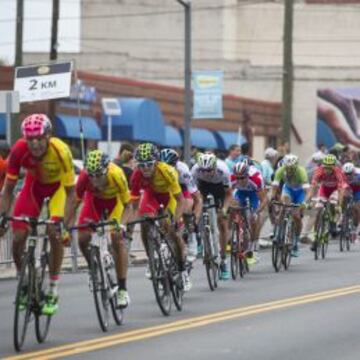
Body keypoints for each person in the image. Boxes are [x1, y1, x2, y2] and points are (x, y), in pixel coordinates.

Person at [0, 114, 76, 315]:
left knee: (54, 231)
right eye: (30, 139)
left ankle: (53, 288)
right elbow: (8, 190)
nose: (34, 144)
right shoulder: (18, 150)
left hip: (59, 189)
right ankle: (24, 281)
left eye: (39, 138)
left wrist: (65, 224)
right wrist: (2, 215)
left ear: (48, 136)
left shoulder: (61, 151)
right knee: (17, 237)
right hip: (33, 188)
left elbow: (71, 194)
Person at [69, 150, 132, 307]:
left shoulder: (116, 174)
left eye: (99, 175)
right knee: (82, 238)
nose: (95, 179)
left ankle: (122, 289)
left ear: (106, 169)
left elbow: (128, 206)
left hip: (115, 204)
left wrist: (122, 225)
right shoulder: (84, 177)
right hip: (94, 202)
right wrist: (67, 225)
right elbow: (74, 204)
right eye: (92, 175)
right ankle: (93, 269)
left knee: (117, 239)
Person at [130, 143, 191, 291]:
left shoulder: (167, 171)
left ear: (156, 162)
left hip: (168, 197)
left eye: (149, 164)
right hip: (151, 197)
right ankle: (151, 260)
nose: (145, 168)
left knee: (170, 229)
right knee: (144, 222)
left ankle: (183, 271)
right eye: (141, 165)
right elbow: (134, 204)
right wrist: (130, 226)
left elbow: (181, 200)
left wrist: (177, 220)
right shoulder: (136, 175)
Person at [191, 153, 233, 280]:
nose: (206, 173)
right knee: (197, 210)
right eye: (203, 170)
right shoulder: (195, 170)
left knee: (222, 223)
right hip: (202, 187)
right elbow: (192, 193)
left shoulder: (223, 170)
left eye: (209, 170)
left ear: (214, 167)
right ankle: (199, 238)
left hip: (220, 189)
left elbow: (229, 194)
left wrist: (224, 209)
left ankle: (224, 260)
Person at [159, 148, 203, 261]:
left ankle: (192, 237)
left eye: (170, 166)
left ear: (176, 165)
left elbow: (197, 197)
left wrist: (195, 218)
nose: (167, 169)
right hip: (168, 188)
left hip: (182, 188)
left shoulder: (183, 170)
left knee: (187, 206)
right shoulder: (158, 170)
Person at [271, 154, 310, 257]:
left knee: (296, 216)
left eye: (291, 168)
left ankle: (296, 241)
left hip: (300, 193)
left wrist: (305, 202)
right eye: (287, 168)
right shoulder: (280, 170)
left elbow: (308, 191)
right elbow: (274, 187)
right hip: (288, 190)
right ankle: (278, 233)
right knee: (283, 206)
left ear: (295, 166)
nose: (288, 170)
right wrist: (272, 197)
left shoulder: (301, 172)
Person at [305, 154, 347, 249]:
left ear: (334, 166)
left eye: (329, 167)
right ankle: (316, 239)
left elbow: (341, 190)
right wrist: (308, 200)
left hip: (335, 190)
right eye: (325, 167)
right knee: (318, 210)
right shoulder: (319, 170)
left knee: (332, 203)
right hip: (324, 190)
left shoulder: (338, 172)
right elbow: (313, 187)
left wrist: (339, 205)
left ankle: (332, 224)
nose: (327, 170)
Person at [232, 160, 268, 264]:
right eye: (237, 178)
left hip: (253, 193)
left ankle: (254, 248)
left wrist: (256, 212)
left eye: (242, 178)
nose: (239, 180)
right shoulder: (232, 178)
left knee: (254, 219)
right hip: (241, 192)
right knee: (233, 208)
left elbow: (264, 200)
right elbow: (228, 196)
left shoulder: (256, 178)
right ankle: (236, 232)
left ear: (247, 175)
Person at [342, 162, 360, 242]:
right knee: (343, 197)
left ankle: (355, 228)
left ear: (353, 171)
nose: (348, 175)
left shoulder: (358, 173)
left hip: (358, 190)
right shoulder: (342, 174)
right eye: (346, 174)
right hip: (349, 188)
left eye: (350, 173)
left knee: (356, 208)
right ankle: (342, 214)